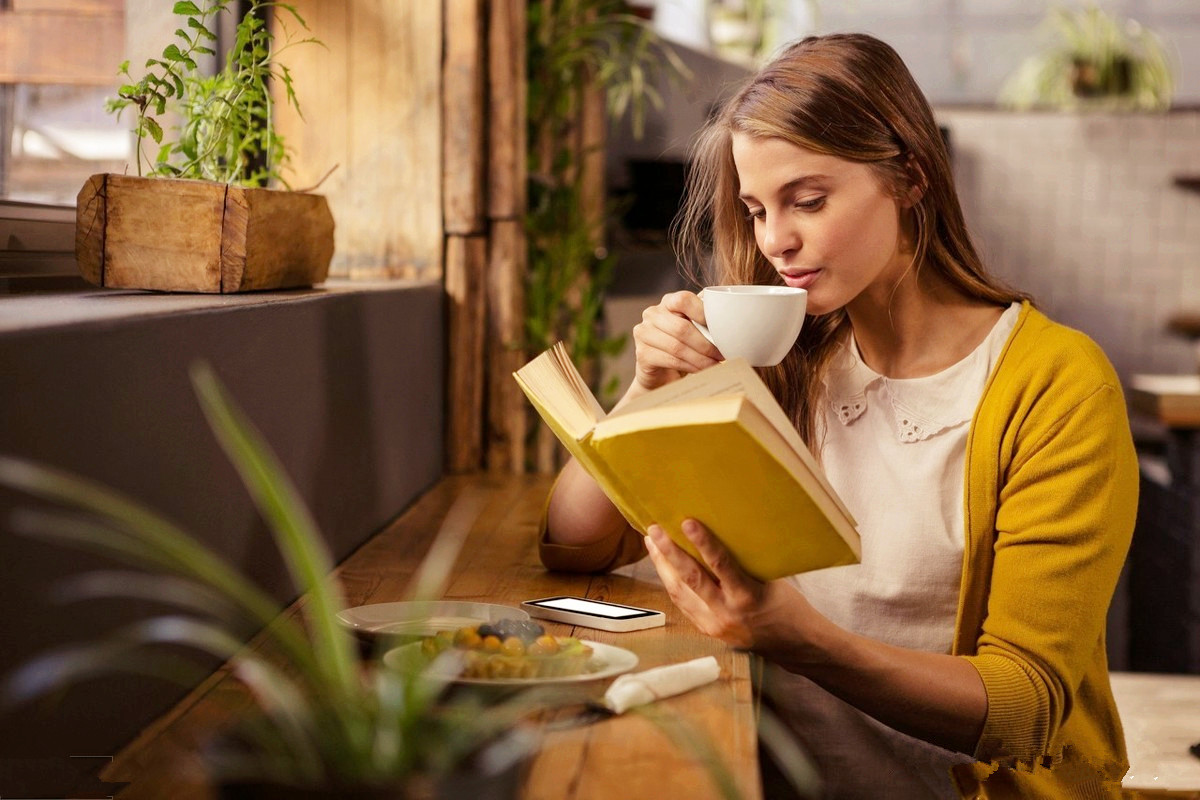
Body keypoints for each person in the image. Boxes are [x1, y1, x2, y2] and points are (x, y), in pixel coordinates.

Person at [538, 33, 1137, 799]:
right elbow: (575, 544)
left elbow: (1025, 709)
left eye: (808, 201)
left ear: (911, 177)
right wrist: (644, 390)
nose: (775, 240)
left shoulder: (1055, 386)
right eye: (756, 210)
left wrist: (804, 641)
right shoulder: (785, 363)